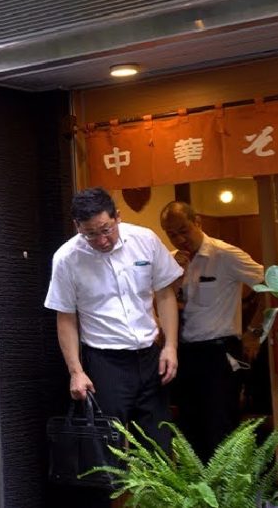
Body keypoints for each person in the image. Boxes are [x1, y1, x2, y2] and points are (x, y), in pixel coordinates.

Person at [45, 188, 182, 507]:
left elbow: (164, 294)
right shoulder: (67, 258)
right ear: (77, 227)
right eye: (90, 234)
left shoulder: (144, 239)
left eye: (106, 230)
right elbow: (66, 318)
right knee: (106, 456)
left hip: (151, 357)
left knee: (159, 444)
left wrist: (171, 346)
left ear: (117, 216)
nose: (102, 240)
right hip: (105, 364)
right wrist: (76, 372)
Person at [161, 201, 264, 458]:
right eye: (172, 234)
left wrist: (255, 331)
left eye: (184, 230)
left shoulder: (225, 254)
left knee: (220, 428)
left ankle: (227, 494)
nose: (180, 238)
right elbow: (161, 302)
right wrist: (177, 276)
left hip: (219, 352)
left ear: (198, 223)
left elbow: (272, 286)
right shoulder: (172, 261)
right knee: (188, 429)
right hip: (183, 353)